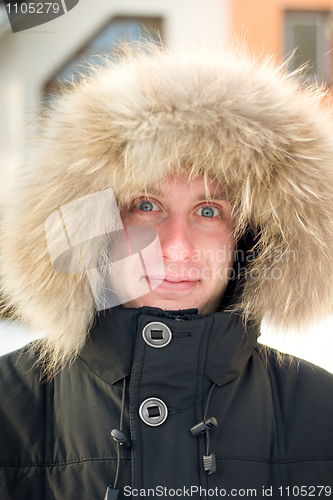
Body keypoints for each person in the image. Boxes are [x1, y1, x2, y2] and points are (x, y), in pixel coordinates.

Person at [1, 43, 333, 500]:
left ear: (252, 236)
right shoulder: (8, 407)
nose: (176, 249)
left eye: (209, 210)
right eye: (145, 205)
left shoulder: (321, 413)